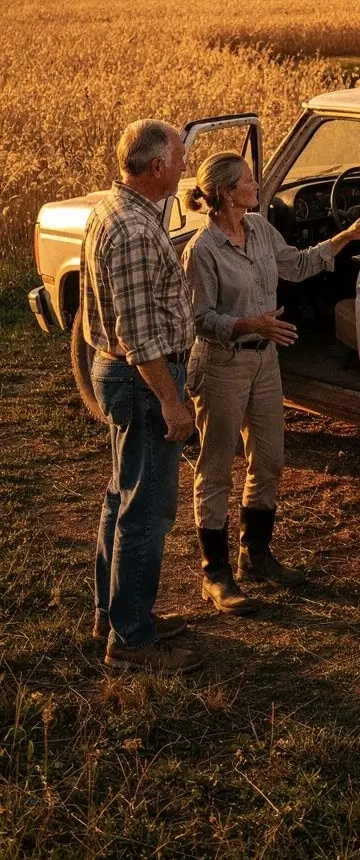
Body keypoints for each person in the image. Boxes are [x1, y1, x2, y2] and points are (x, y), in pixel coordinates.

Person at [182, 151, 360, 614]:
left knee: (268, 460)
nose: (257, 184)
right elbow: (200, 318)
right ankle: (216, 573)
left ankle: (256, 555)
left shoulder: (262, 230)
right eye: (249, 180)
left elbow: (299, 264)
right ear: (227, 193)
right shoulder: (202, 250)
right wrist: (252, 325)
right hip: (221, 364)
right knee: (216, 467)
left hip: (264, 363)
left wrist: (348, 236)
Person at [82, 119, 201, 674]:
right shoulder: (131, 230)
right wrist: (172, 403)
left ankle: (115, 614)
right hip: (144, 380)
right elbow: (139, 335)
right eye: (179, 159)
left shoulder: (113, 207)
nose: (185, 167)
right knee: (147, 511)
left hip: (124, 376)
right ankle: (131, 642)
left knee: (122, 495)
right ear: (157, 168)